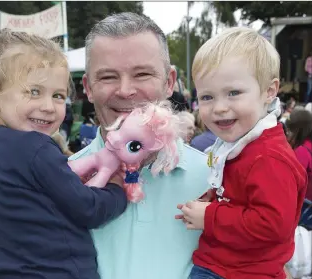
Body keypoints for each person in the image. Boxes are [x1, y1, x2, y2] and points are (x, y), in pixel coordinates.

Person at [0, 29, 128, 279]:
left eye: (58, 95)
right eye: (34, 91)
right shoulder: (34, 147)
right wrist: (117, 190)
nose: (48, 107)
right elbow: (87, 208)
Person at [69, 12, 210, 279]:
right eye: (108, 77)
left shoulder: (215, 179)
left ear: (169, 82)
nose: (125, 90)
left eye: (142, 74)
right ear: (87, 87)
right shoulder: (60, 177)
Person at [177, 27, 307, 279]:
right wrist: (209, 201)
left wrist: (210, 216)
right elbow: (241, 199)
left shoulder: (268, 157)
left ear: (269, 91)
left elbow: (272, 226)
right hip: (223, 265)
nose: (219, 108)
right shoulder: (241, 144)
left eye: (233, 93)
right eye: (207, 97)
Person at [286, 109, 312, 201]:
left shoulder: (302, 152)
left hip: (305, 206)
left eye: (290, 130)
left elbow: (292, 183)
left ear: (298, 130)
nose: (288, 134)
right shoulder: (308, 144)